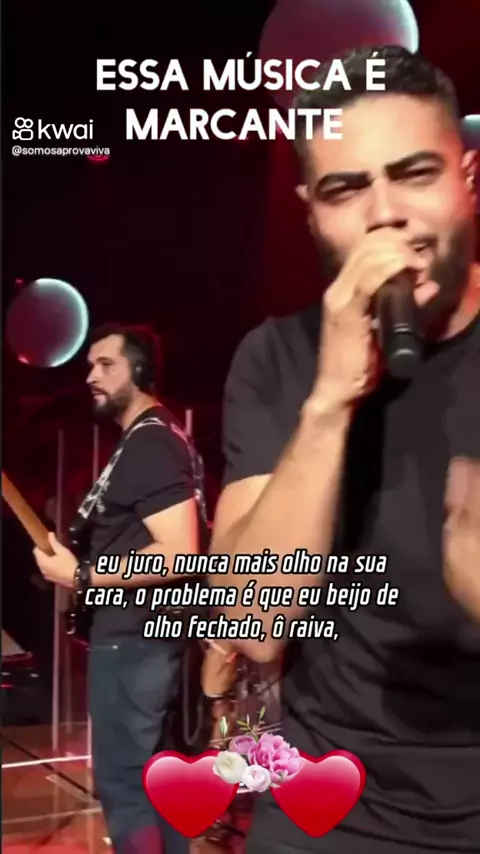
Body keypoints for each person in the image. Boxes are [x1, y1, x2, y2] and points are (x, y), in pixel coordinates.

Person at [210, 46, 480, 853]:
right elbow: (250, 623)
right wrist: (328, 402)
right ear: (309, 212)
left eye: (415, 174)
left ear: (468, 176)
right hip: (331, 813)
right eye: (346, 189)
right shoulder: (277, 358)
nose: (385, 215)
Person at [33, 323, 205, 854]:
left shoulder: (151, 442)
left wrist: (83, 576)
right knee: (154, 786)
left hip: (135, 641)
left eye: (105, 365)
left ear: (141, 370)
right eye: (90, 365)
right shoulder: (150, 439)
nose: (91, 376)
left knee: (127, 786)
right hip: (144, 639)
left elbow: (180, 551)